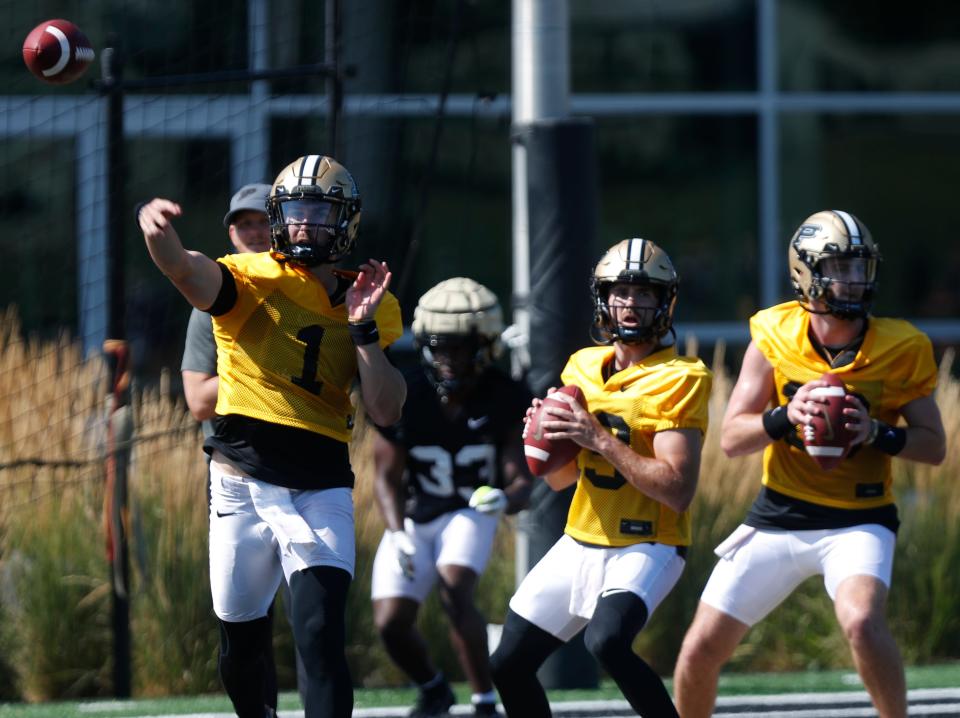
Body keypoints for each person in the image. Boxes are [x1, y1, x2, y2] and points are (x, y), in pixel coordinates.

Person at [139, 154, 406, 718]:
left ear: (347, 222)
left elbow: (385, 409)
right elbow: (185, 270)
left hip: (320, 486)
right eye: (296, 210)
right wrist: (155, 231)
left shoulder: (370, 301)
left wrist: (363, 332)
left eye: (320, 210)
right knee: (241, 647)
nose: (306, 223)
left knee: (320, 634)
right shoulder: (250, 275)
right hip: (242, 483)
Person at [673, 210, 946, 718]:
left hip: (858, 517)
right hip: (779, 515)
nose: (853, 280)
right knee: (697, 650)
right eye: (840, 267)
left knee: (862, 624)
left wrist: (877, 433)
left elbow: (933, 446)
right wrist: (783, 417)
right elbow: (732, 438)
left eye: (860, 267)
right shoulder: (775, 333)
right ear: (806, 272)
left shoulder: (902, 346)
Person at [489, 239, 712, 718]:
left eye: (645, 293)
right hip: (583, 537)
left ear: (665, 301)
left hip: (649, 542)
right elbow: (560, 480)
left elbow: (678, 490)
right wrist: (546, 439)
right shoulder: (583, 365)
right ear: (603, 299)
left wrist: (598, 438)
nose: (631, 304)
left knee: (608, 642)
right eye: (620, 292)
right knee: (508, 664)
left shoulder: (682, 376)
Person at [370, 277, 534, 718]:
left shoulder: (504, 394)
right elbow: (385, 477)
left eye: (459, 347)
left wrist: (504, 499)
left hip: (469, 509)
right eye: (440, 347)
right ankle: (434, 687)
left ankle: (484, 701)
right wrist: (397, 532)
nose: (448, 358)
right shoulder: (407, 392)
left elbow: (522, 482)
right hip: (416, 515)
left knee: (454, 589)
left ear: (484, 346)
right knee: (390, 622)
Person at [179, 182, 307, 712]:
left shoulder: (309, 289)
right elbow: (198, 399)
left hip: (307, 468)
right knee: (242, 623)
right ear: (230, 233)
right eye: (242, 224)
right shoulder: (213, 297)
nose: (253, 232)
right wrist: (266, 374)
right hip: (239, 474)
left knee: (313, 610)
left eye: (261, 222)